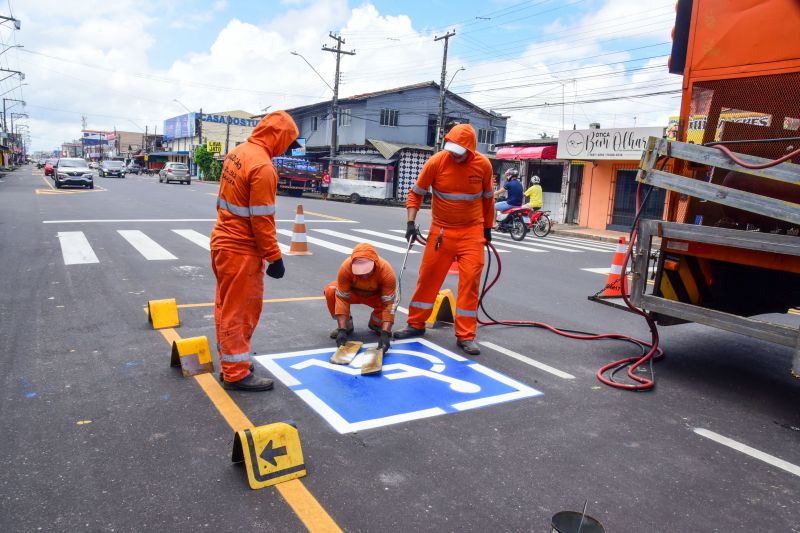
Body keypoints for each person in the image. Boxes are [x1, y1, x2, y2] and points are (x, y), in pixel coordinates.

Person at [210, 110, 301, 392]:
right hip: (241, 250)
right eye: (287, 141)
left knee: (226, 307)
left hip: (223, 241)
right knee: (241, 311)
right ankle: (236, 372)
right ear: (277, 136)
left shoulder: (238, 153)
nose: (286, 148)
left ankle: (231, 362)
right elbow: (262, 220)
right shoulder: (263, 168)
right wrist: (274, 257)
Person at [393, 124, 494, 356]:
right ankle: (415, 324)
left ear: (470, 150)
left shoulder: (483, 165)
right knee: (428, 278)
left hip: (472, 232)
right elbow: (416, 192)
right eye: (451, 150)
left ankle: (466, 336)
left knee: (469, 283)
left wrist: (487, 228)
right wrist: (410, 222)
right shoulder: (437, 161)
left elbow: (488, 199)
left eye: (458, 152)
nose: (453, 155)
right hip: (441, 231)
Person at [324, 243, 395, 352]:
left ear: (375, 263)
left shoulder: (386, 271)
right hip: (353, 294)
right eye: (360, 272)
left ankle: (376, 324)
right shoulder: (346, 267)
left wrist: (385, 332)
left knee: (390, 300)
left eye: (367, 271)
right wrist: (342, 329)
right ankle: (347, 326)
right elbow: (342, 298)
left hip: (375, 296)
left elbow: (388, 304)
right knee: (331, 291)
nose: (364, 276)